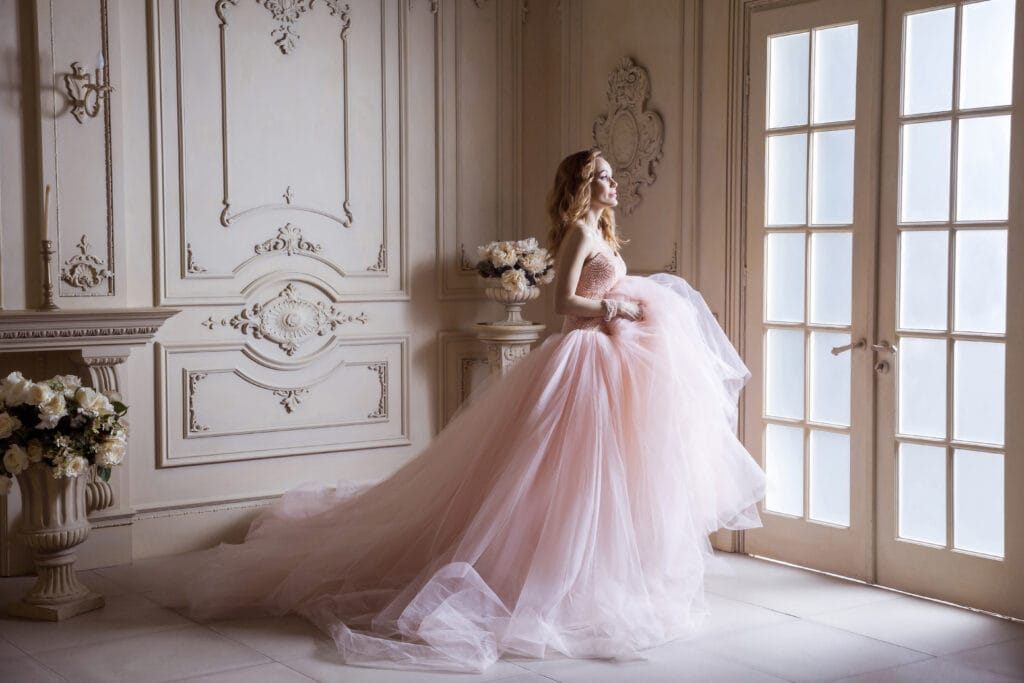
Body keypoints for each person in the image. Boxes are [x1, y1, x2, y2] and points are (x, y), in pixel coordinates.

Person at [168, 149, 766, 673]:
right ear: (583, 186)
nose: (614, 185)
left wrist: (625, 310)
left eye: (611, 176)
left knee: (600, 475)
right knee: (563, 474)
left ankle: (594, 574)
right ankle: (551, 579)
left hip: (608, 355)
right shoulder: (582, 233)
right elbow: (564, 303)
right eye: (603, 177)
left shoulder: (602, 230)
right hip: (585, 356)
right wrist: (615, 311)